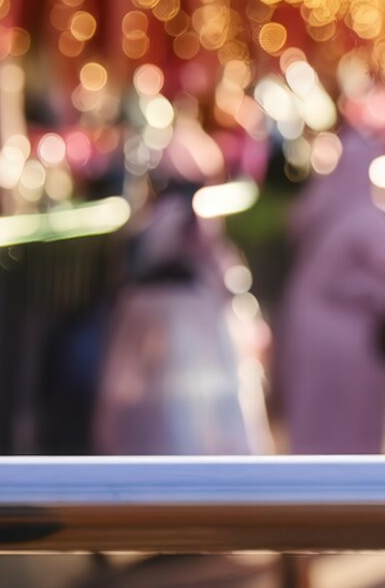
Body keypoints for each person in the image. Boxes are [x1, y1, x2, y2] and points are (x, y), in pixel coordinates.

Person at [94, 179, 272, 455]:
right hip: (189, 323)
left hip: (176, 323)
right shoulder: (190, 227)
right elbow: (227, 280)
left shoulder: (153, 231)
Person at [275, 130, 385, 454]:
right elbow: (343, 278)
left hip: (317, 332)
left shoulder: (324, 209)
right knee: (344, 426)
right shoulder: (360, 218)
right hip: (346, 341)